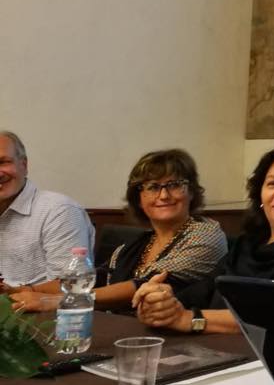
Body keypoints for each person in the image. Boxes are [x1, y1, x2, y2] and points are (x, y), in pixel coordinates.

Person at [134, 143, 274, 334]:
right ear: (261, 196)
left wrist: (192, 319)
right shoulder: (247, 243)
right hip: (218, 356)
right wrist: (160, 302)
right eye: (272, 183)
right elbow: (203, 290)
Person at [8, 149, 227, 313]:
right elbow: (93, 280)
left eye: (174, 185)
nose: (163, 196)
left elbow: (143, 286)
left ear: (191, 193)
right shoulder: (134, 245)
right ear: (138, 199)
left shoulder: (205, 234)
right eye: (152, 187)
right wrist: (25, 290)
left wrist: (53, 302)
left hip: (181, 341)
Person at [0, 130, 95, 290]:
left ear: (23, 165)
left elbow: (73, 283)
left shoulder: (59, 211)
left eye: (3, 162)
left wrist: (15, 293)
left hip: (43, 313)